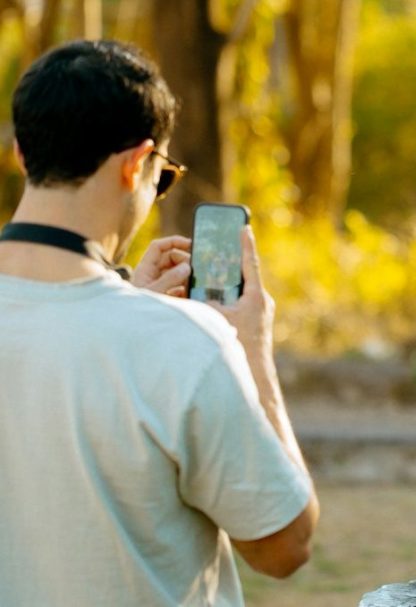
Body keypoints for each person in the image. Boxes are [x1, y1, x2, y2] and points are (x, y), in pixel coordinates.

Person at [0, 40, 319, 605]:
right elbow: (285, 543)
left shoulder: (158, 335)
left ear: (22, 154)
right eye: (162, 177)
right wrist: (251, 349)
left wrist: (120, 299)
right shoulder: (184, 344)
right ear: (134, 165)